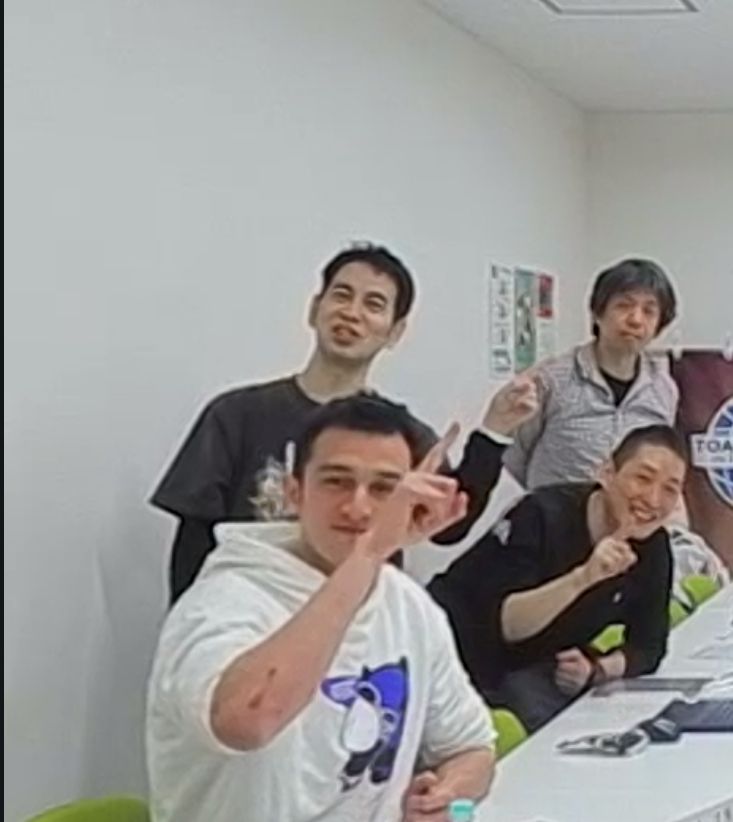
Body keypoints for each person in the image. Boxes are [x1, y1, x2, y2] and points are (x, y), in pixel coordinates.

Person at [147, 396, 496, 822]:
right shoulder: (223, 600)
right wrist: (369, 554)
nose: (359, 508)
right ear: (294, 492)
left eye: (385, 489)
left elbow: (472, 748)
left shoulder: (409, 605)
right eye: (336, 482)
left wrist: (445, 794)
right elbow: (250, 720)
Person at [151, 243, 535, 602]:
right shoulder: (236, 415)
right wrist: (190, 626)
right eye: (341, 295)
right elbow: (194, 542)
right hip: (248, 613)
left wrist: (494, 433)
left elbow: (448, 526)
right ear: (314, 309)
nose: (352, 313)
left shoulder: (399, 435)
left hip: (356, 619)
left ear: (395, 332)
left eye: (374, 304)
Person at [429, 426, 683, 732]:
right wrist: (584, 577)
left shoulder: (652, 546)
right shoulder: (540, 514)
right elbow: (508, 626)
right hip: (453, 656)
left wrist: (597, 669)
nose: (653, 499)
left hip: (532, 666)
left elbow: (649, 646)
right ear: (607, 473)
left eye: (670, 489)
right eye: (643, 478)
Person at [498, 258, 683, 488]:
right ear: (598, 313)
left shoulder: (664, 390)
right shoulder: (551, 379)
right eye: (623, 305)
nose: (636, 320)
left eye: (649, 311)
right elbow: (515, 456)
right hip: (553, 509)